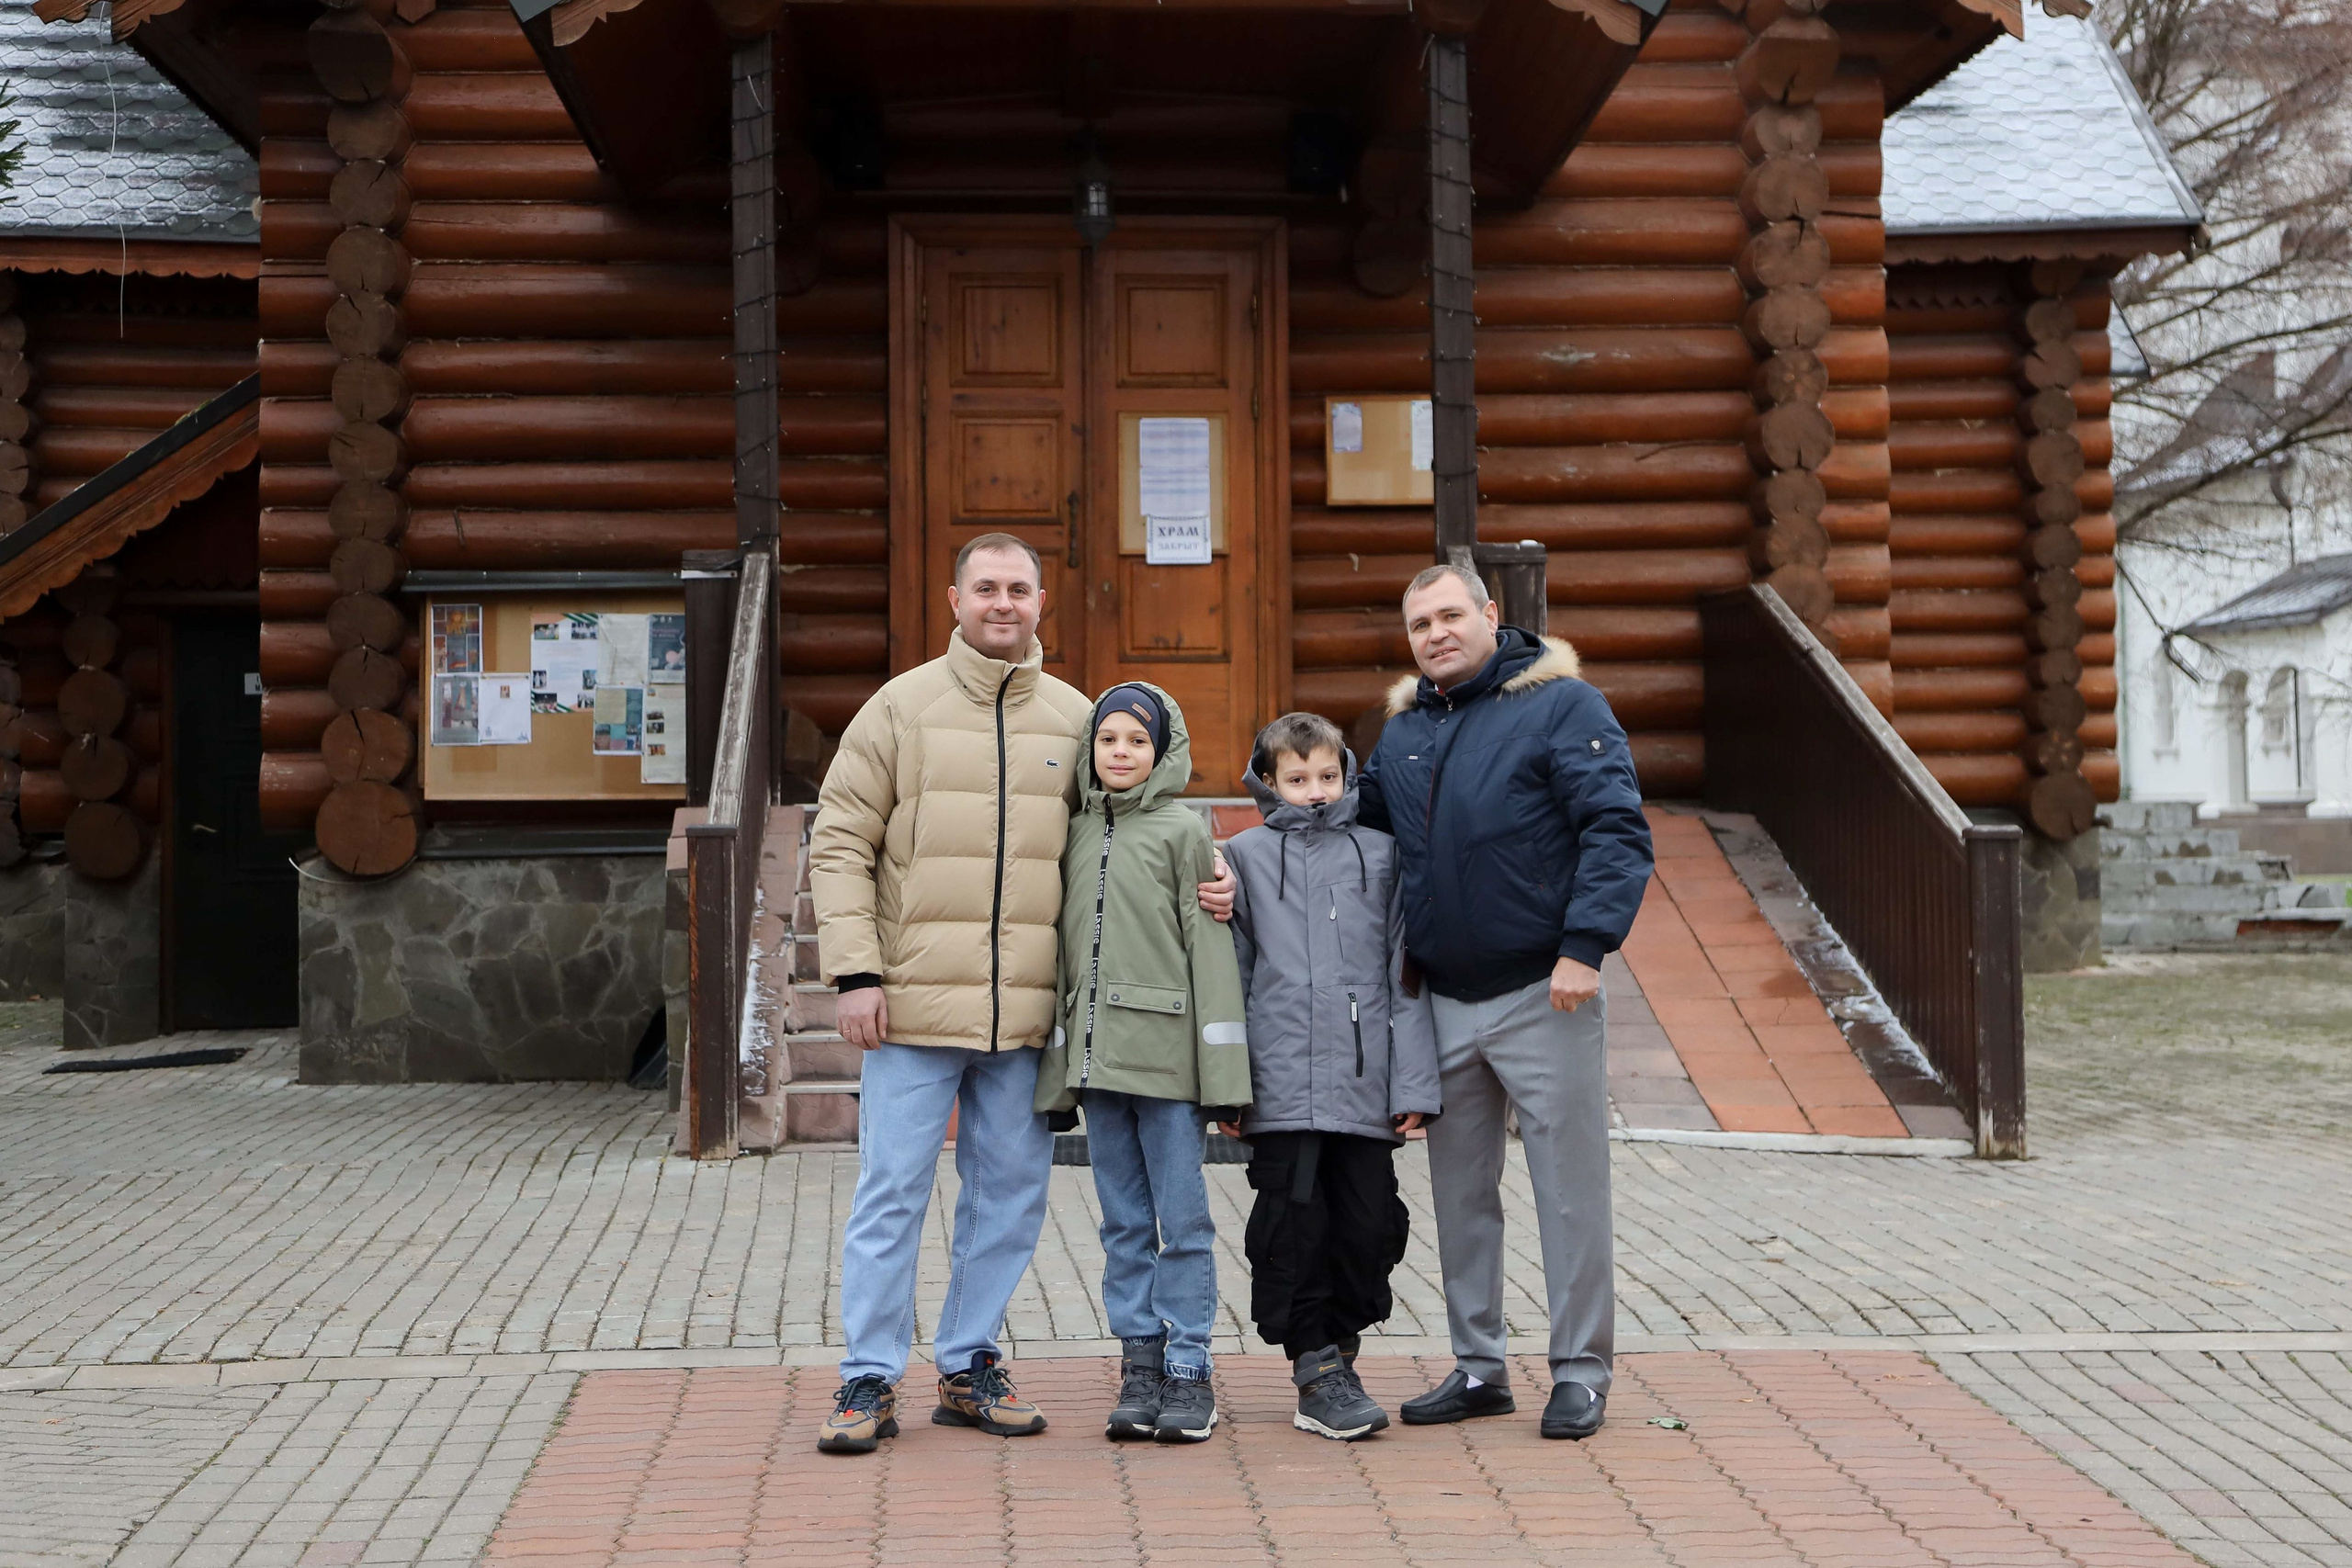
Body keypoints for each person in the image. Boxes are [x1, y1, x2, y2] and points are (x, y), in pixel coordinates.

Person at [1363, 563, 1651, 1441]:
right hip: (1443, 998)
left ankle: (1580, 1371)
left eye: (1452, 614)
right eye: (1421, 624)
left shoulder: (1565, 706)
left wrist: (1584, 946)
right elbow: (1359, 844)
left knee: (1570, 1189)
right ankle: (1479, 1365)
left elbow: (1615, 826)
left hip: (1544, 991)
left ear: (1492, 614)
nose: (1437, 633)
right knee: (1460, 1193)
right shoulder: (1402, 733)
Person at [1035, 683, 1250, 1444]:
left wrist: (1225, 1078)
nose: (1121, 752)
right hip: (1099, 1069)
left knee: (1182, 1223)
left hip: (1169, 1070)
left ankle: (1191, 1370)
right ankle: (1141, 1364)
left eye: (1137, 740)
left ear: (1163, 750)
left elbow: (1212, 958)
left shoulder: (1186, 832)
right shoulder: (1075, 830)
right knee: (1124, 1225)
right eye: (1107, 738)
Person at [1218, 712, 1441, 1441]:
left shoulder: (1382, 854)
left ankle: (1339, 1346)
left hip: (1364, 1083)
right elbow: (1231, 973)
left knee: (1369, 1223)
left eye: (1326, 776)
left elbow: (1402, 974)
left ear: (1346, 774)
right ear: (1267, 781)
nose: (1314, 792)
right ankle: (1315, 1366)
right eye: (1296, 778)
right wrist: (1227, 1080)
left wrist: (1414, 1083)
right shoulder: (1242, 857)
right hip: (1279, 1086)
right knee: (1292, 1226)